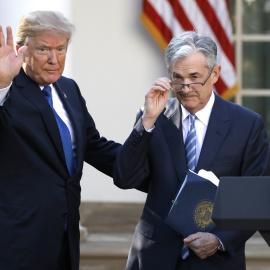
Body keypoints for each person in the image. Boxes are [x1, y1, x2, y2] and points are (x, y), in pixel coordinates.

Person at [113, 31, 270, 270]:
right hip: (155, 258)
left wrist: (219, 239)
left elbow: (256, 198)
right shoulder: (154, 118)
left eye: (195, 77)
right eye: (178, 78)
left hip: (216, 260)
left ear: (214, 74)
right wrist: (146, 122)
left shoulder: (247, 124)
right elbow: (124, 178)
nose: (185, 88)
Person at [0, 11, 121, 270]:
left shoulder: (69, 89)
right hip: (16, 240)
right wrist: (1, 83)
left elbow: (94, 146)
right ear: (23, 49)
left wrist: (150, 156)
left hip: (65, 236)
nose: (54, 59)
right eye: (44, 49)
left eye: (61, 48)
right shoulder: (8, 89)